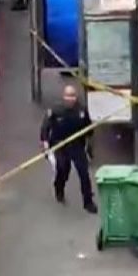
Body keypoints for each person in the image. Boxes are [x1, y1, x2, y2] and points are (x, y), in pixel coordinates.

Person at [39, 85, 98, 213]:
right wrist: (45, 143)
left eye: (73, 96)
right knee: (63, 169)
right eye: (68, 96)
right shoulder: (56, 110)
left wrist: (90, 149)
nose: (70, 99)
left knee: (84, 174)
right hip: (60, 144)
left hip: (77, 145)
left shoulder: (82, 111)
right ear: (63, 97)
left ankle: (88, 202)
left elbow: (89, 130)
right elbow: (45, 127)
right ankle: (59, 188)